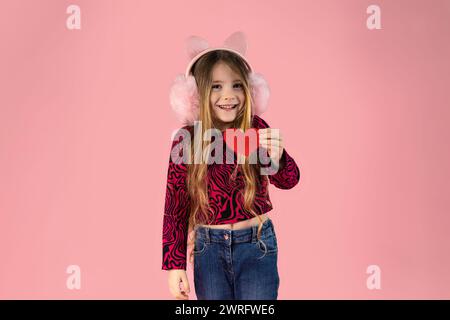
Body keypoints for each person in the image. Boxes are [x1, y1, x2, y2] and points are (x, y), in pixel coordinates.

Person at [162, 31, 300, 300]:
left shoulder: (256, 129)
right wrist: (174, 265)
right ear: (196, 93)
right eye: (216, 86)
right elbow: (175, 204)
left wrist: (279, 156)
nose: (228, 95)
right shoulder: (187, 139)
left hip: (256, 245)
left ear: (249, 90)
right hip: (208, 250)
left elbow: (288, 180)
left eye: (237, 85)